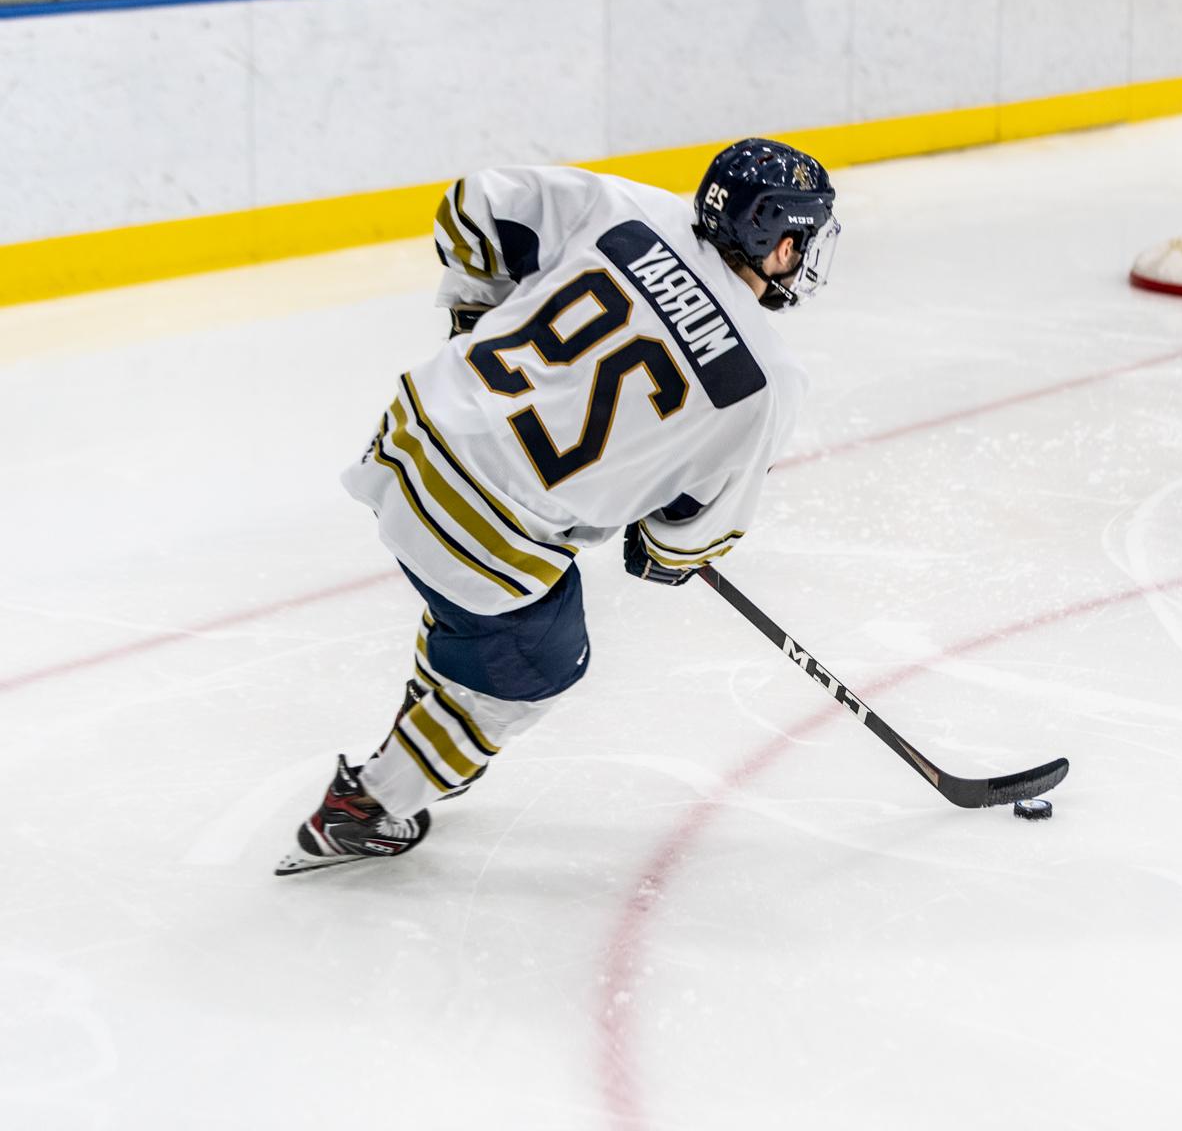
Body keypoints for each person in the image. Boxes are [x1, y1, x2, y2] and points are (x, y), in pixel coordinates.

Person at [276, 139, 840, 875]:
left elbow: (472, 206)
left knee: (481, 610)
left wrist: (472, 328)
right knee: (538, 663)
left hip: (411, 435)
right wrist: (661, 546)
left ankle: (440, 703)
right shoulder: (767, 382)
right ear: (780, 242)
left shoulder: (631, 211)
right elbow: (688, 539)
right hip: (487, 536)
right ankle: (366, 810)